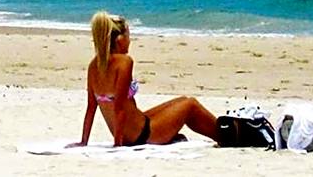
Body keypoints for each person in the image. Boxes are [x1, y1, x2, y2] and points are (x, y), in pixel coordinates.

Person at [71, 11, 220, 147]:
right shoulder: (124, 62)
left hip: (134, 128)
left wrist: (84, 141)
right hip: (142, 135)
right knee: (190, 104)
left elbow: (91, 108)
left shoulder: (94, 65)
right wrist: (117, 145)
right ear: (120, 40)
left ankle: (181, 136)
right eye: (128, 36)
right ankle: (227, 135)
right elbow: (119, 107)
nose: (130, 41)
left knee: (182, 100)